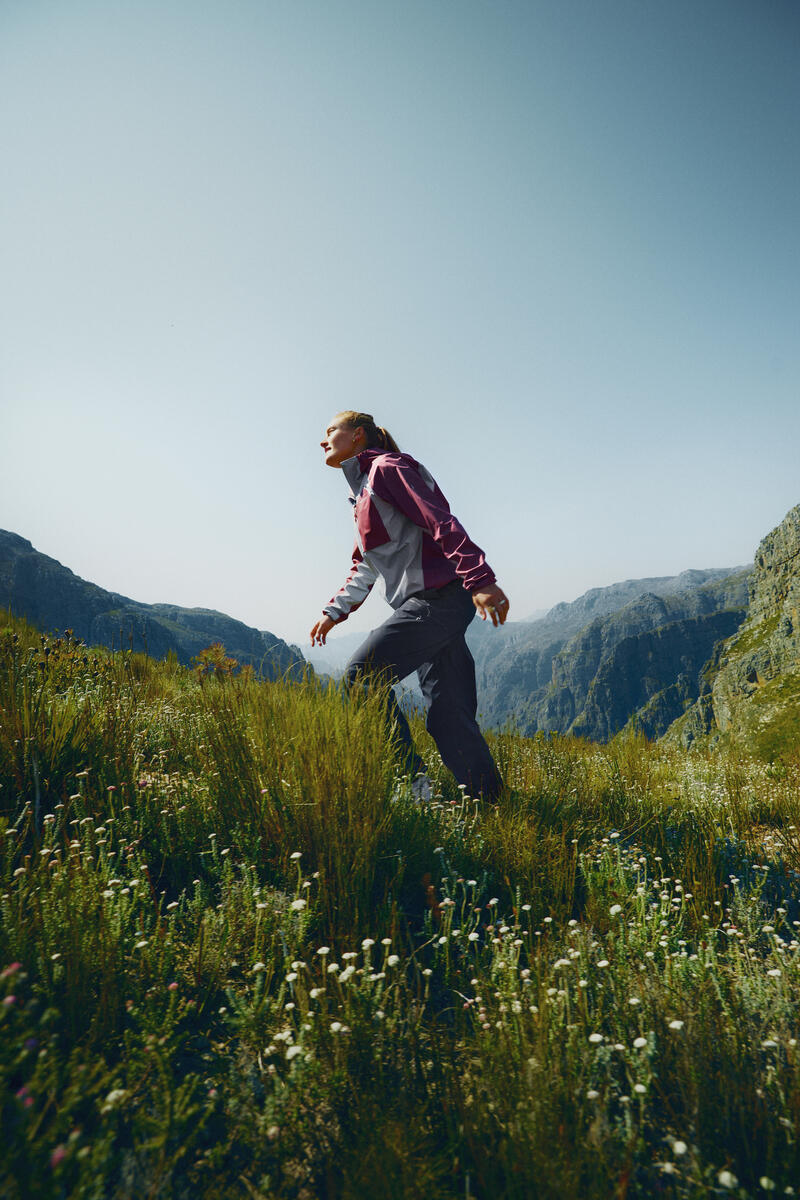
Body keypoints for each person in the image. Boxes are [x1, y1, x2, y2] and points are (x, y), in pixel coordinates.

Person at [309, 411, 510, 803]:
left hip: (438, 600)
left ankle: (413, 789)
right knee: (449, 716)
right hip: (436, 604)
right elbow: (365, 565)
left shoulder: (388, 468)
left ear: (358, 435)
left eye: (331, 430)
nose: (323, 440)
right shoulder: (362, 493)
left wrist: (480, 578)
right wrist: (333, 612)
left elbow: (438, 519)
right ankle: (491, 802)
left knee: (363, 677)